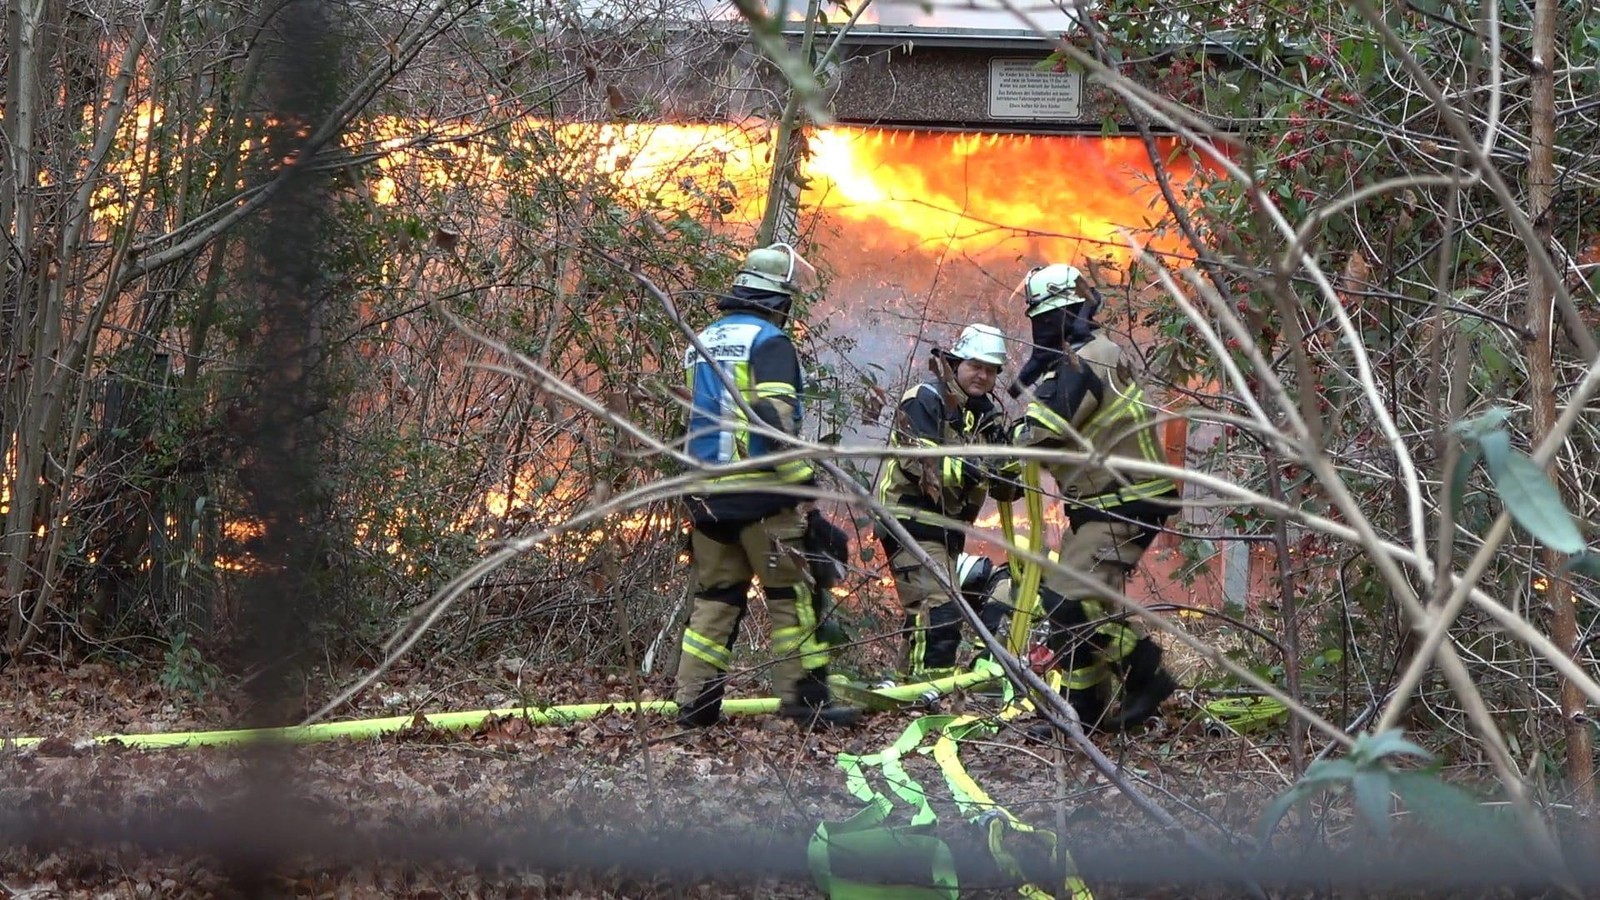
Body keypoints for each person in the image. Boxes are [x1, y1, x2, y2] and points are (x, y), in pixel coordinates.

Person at [675, 243, 859, 729]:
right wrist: (804, 489)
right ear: (779, 300)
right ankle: (806, 703)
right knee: (793, 599)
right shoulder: (770, 342)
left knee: (715, 601)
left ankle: (694, 705)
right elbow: (774, 421)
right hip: (761, 499)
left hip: (706, 498)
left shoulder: (702, 340)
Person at [1007, 263, 1181, 733]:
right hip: (1113, 499)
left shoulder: (1082, 361)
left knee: (1068, 601)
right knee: (1081, 604)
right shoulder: (1094, 352)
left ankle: (1146, 673)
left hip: (1120, 500)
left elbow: (1044, 428)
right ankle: (1083, 711)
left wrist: (1000, 443)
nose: (1040, 331)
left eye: (1044, 320)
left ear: (1061, 316)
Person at [874, 324, 1023, 683]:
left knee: (926, 612)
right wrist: (977, 469)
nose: (982, 375)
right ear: (955, 363)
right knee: (940, 612)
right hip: (910, 518)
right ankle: (927, 694)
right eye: (975, 366)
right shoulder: (925, 399)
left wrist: (1013, 468)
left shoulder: (986, 418)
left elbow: (1003, 485)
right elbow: (920, 462)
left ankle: (903, 687)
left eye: (990, 370)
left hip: (947, 528)